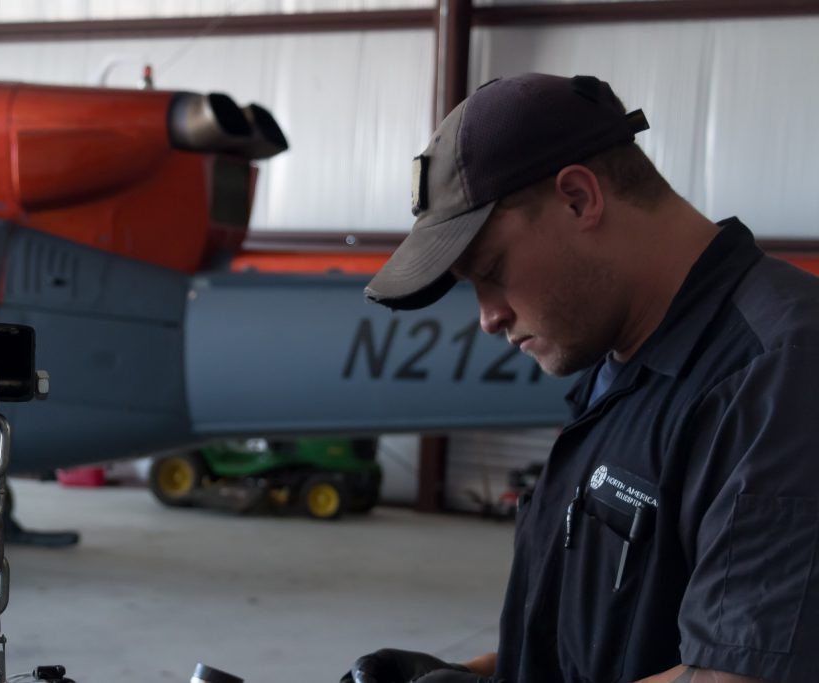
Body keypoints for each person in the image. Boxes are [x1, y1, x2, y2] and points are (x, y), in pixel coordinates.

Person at [342, 73, 819, 683]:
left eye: (492, 269)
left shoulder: (780, 375)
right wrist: (480, 673)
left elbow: (738, 675)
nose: (489, 318)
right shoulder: (618, 366)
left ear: (578, 199)